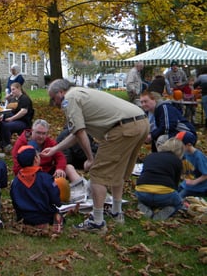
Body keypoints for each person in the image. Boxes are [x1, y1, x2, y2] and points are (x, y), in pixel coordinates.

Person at [43, 78, 149, 232]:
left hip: (122, 128)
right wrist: (54, 150)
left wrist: (91, 159)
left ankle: (97, 221)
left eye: (53, 98)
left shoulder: (69, 99)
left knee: (97, 173)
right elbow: (76, 133)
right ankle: (116, 212)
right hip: (141, 122)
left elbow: (80, 132)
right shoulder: (81, 93)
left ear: (60, 93)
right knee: (117, 169)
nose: (55, 103)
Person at [12, 119, 82, 185]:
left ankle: (82, 188)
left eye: (44, 133)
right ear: (32, 131)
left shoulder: (49, 142)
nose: (41, 136)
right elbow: (17, 164)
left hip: (47, 172)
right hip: (29, 174)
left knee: (69, 167)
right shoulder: (21, 143)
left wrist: (60, 168)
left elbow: (60, 156)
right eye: (38, 133)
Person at [10, 145, 63, 231]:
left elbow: (14, 200)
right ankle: (52, 221)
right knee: (56, 212)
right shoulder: (46, 178)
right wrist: (58, 203)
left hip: (24, 217)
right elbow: (55, 197)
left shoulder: (15, 182)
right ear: (36, 159)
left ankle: (27, 224)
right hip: (44, 215)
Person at [135, 137, 184, 220]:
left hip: (142, 191)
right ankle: (163, 213)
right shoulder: (177, 161)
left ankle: (143, 206)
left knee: (142, 200)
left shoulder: (151, 156)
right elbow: (175, 183)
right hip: (164, 194)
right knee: (179, 203)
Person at [0, 82, 34, 153]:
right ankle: (0, 143)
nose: (12, 91)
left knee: (5, 125)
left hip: (24, 122)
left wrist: (11, 119)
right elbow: (10, 110)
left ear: (19, 88)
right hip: (17, 120)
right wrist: (2, 117)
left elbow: (23, 111)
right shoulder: (16, 99)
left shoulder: (24, 98)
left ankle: (7, 145)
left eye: (13, 89)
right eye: (11, 90)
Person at [178, 131, 207, 198]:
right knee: (173, 192)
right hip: (187, 183)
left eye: (180, 145)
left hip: (198, 187)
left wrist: (194, 182)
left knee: (179, 198)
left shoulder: (198, 157)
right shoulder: (185, 153)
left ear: (188, 145)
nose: (178, 147)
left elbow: (206, 175)